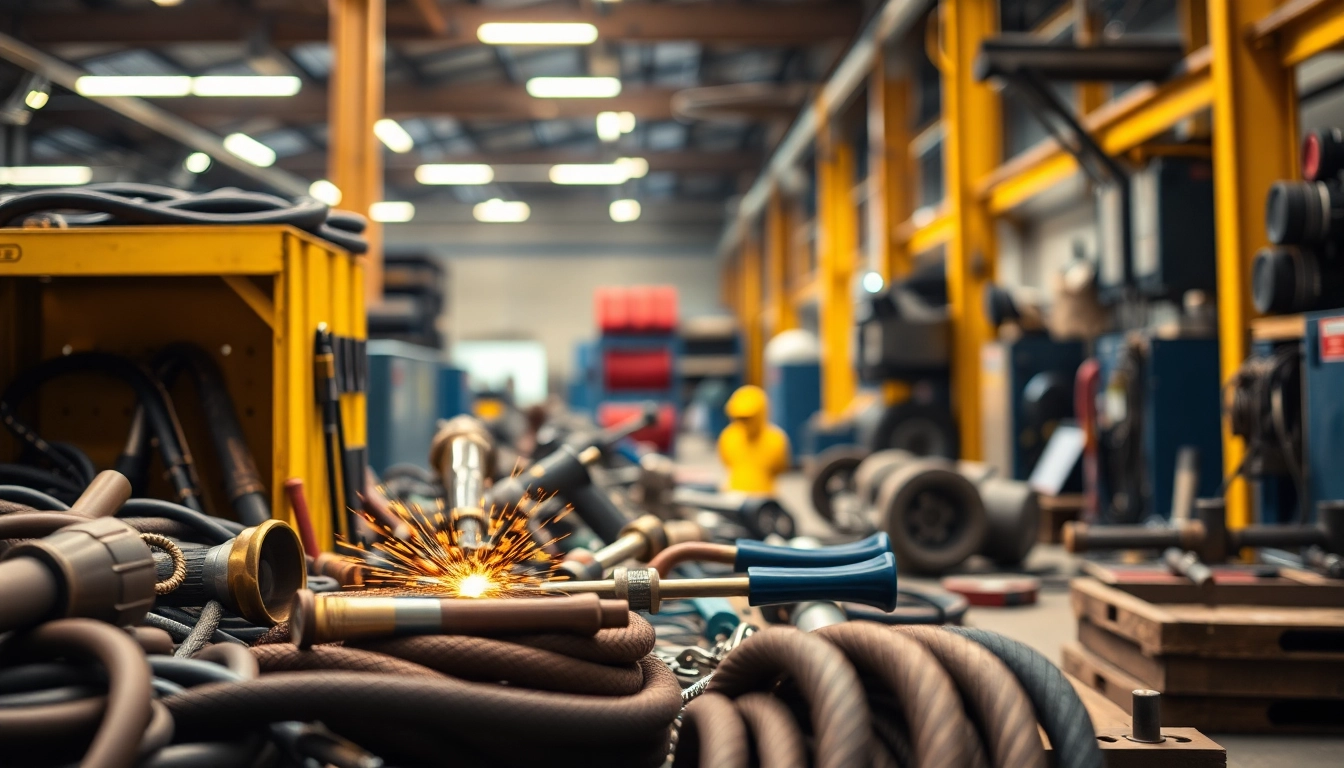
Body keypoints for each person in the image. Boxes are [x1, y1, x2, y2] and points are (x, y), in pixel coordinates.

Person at [717, 384, 790, 494]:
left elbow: (780, 467)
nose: (743, 422)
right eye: (739, 418)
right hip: (734, 493)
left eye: (747, 418)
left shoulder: (775, 439)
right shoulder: (728, 436)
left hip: (764, 494)